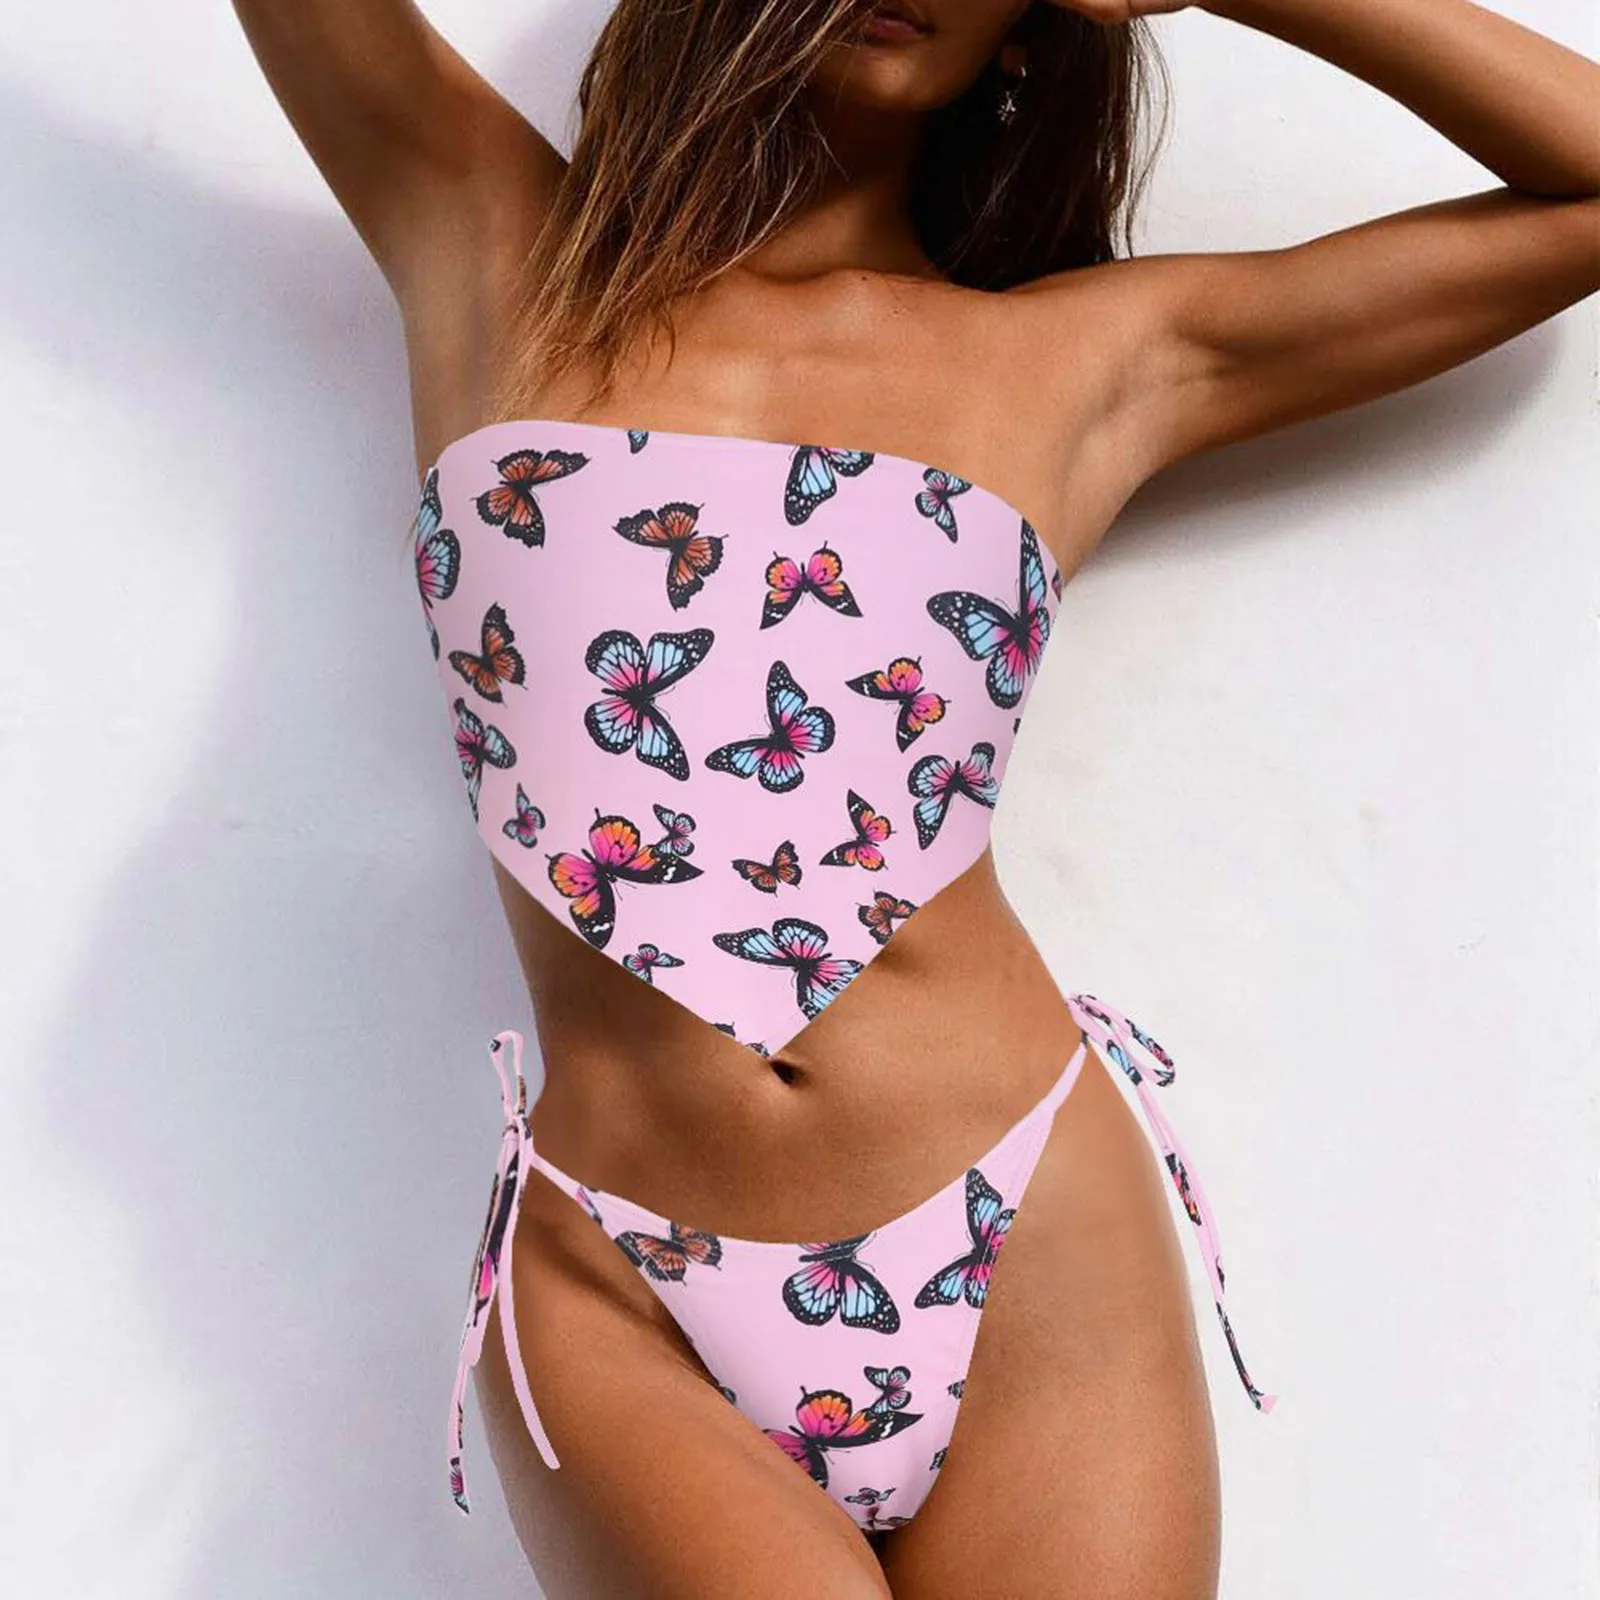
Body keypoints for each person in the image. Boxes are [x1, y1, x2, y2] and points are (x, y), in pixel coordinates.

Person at [235, 1, 1598, 1593]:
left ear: (1031, 28)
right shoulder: (493, 243)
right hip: (621, 1275)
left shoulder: (1081, 359)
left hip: (1020, 1234)